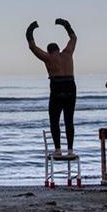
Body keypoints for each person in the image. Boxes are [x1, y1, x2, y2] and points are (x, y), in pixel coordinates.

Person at [26, 18, 77, 156]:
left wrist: (31, 29)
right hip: (71, 85)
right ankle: (70, 150)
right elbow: (73, 38)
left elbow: (32, 47)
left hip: (57, 86)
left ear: (49, 51)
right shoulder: (67, 53)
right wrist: (65, 24)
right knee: (69, 120)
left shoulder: (48, 58)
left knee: (54, 120)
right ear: (58, 49)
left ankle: (58, 150)